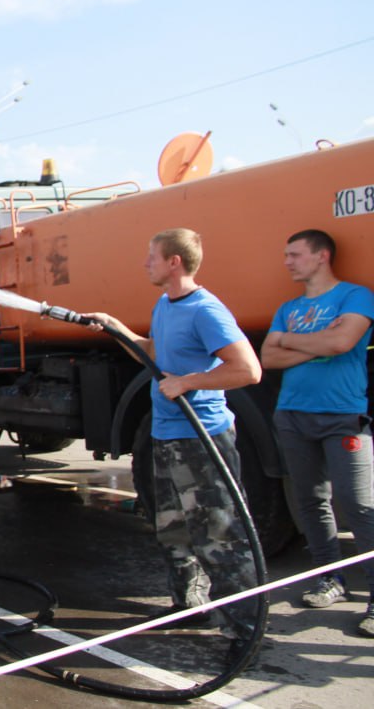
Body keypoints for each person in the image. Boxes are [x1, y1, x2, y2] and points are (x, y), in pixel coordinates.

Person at [85, 228, 263, 661]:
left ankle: (246, 631)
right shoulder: (165, 304)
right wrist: (114, 327)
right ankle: (189, 604)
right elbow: (152, 352)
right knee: (173, 528)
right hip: (166, 436)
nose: (145, 263)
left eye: (152, 256)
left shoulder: (206, 310)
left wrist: (188, 382)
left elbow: (248, 369)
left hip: (202, 438)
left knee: (219, 535)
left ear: (174, 262)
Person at [260, 229, 374, 638]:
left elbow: (342, 342)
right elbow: (267, 356)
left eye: (295, 254)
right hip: (293, 414)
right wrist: (316, 343)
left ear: (322, 255)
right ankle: (331, 578)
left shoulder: (355, 296)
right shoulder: (288, 307)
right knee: (310, 501)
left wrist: (290, 341)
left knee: (360, 506)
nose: (287, 262)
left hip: (343, 415)